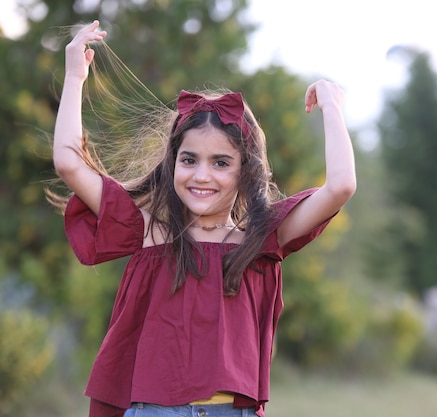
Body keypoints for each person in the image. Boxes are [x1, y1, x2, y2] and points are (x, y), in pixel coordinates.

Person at [52, 20, 356, 417]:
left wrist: (332, 105)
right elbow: (68, 163)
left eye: (221, 163)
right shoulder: (148, 231)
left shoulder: (260, 238)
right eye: (189, 159)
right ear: (172, 163)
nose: (201, 175)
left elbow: (340, 187)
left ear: (245, 171)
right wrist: (75, 74)